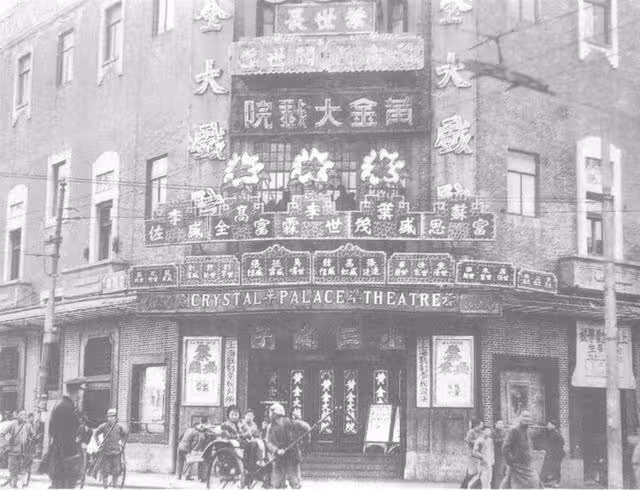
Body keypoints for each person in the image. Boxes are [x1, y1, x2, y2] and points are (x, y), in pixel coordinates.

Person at [265, 403, 311, 490]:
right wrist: (277, 450)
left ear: (276, 414)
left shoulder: (292, 423)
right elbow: (268, 442)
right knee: (277, 483)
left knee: (294, 481)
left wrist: (305, 443)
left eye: (271, 412)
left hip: (292, 455)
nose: (269, 415)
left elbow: (307, 428)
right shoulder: (270, 427)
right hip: (278, 457)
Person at [48, 395, 83, 488]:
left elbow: (51, 429)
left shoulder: (58, 406)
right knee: (67, 477)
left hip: (58, 448)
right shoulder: (70, 409)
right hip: (68, 449)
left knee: (58, 477)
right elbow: (78, 426)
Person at [501, 411, 542, 489]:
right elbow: (505, 448)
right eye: (525, 421)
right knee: (531, 482)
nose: (527, 423)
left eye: (528, 421)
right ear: (520, 420)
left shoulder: (527, 431)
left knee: (534, 482)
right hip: (517, 465)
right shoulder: (514, 430)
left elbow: (529, 446)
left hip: (527, 464)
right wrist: (512, 461)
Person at [221, 405, 261, 472]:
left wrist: (246, 434)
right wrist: (240, 436)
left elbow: (248, 431)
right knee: (248, 445)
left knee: (254, 444)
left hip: (242, 440)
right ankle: (247, 465)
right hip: (233, 442)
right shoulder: (226, 425)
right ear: (228, 415)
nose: (234, 416)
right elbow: (227, 435)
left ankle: (252, 464)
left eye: (236, 415)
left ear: (239, 415)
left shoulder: (241, 423)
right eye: (232, 415)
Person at [0, 410, 34, 488]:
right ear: (18, 416)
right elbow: (2, 434)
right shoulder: (13, 424)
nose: (24, 416)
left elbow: (33, 435)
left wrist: (32, 439)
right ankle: (13, 485)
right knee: (13, 469)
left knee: (22, 469)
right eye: (21, 415)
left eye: (25, 415)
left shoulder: (28, 425)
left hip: (23, 452)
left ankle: (18, 485)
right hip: (13, 451)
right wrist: (5, 445)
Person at [94, 408, 127, 489]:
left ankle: (114, 487)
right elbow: (96, 432)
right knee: (105, 471)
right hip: (106, 453)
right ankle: (105, 487)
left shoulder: (119, 427)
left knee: (116, 472)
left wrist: (122, 443)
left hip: (116, 453)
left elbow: (124, 434)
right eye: (109, 417)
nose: (110, 418)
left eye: (112, 416)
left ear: (115, 417)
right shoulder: (104, 426)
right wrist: (97, 441)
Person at [538, 420, 564, 487]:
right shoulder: (552, 433)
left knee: (556, 468)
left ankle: (556, 482)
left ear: (553, 426)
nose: (547, 426)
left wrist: (554, 450)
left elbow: (562, 442)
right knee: (547, 467)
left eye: (549, 425)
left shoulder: (556, 434)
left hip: (556, 454)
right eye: (547, 424)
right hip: (551, 453)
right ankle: (545, 481)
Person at [468, 425, 495, 489]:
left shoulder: (490, 440)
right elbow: (475, 452)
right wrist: (482, 457)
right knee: (484, 479)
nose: (489, 432)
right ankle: (470, 486)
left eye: (490, 430)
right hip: (482, 463)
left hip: (489, 463)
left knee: (489, 479)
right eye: (487, 430)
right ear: (483, 431)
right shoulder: (479, 440)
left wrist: (493, 459)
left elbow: (492, 450)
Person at [461, 419, 483, 488]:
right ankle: (464, 487)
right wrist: (477, 442)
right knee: (472, 473)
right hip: (472, 455)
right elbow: (468, 440)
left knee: (475, 472)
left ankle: (468, 487)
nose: (481, 426)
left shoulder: (480, 432)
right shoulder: (471, 432)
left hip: (477, 454)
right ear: (476, 425)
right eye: (480, 425)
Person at [492, 420, 507, 489]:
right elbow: (494, 441)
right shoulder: (493, 432)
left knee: (504, 472)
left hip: (504, 455)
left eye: (502, 423)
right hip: (496, 454)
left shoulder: (504, 432)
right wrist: (503, 440)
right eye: (499, 423)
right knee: (498, 472)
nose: (501, 425)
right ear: (496, 424)